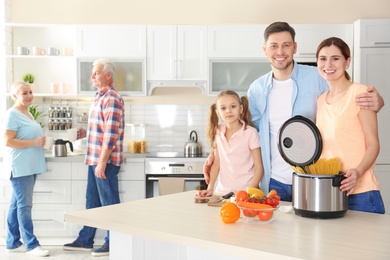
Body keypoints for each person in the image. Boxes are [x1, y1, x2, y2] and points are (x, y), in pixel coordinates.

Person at [203, 22, 384, 202]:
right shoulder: (256, 89)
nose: (280, 52)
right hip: (274, 181)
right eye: (274, 46)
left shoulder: (318, 77)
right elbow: (247, 132)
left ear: (294, 47)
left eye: (286, 45)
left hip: (312, 178)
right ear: (265, 49)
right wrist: (216, 153)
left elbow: (344, 95)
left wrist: (378, 100)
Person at [315, 37, 385, 214]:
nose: (328, 64)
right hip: (331, 190)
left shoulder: (360, 93)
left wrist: (358, 172)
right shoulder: (321, 101)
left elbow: (373, 144)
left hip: (361, 193)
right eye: (323, 58)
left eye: (335, 58)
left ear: (347, 62)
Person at [63, 58, 125, 256]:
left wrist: (103, 162)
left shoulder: (112, 98)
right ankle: (86, 239)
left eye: (96, 73)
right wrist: (86, 132)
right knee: (92, 202)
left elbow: (111, 134)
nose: (92, 77)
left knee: (109, 204)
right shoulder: (99, 96)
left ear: (108, 75)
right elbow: (101, 129)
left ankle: (113, 242)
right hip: (95, 159)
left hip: (103, 161)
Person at [2, 82, 50, 257]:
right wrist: (34, 143)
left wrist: (39, 141)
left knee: (16, 205)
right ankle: (31, 245)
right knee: (24, 206)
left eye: (30, 92)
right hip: (20, 166)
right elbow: (8, 141)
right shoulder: (12, 114)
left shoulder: (27, 113)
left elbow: (24, 135)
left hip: (29, 166)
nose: (29, 95)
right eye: (24, 93)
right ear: (15, 96)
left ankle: (12, 242)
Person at [197, 90, 263, 197]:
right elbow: (216, 163)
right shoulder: (217, 132)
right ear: (218, 113)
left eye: (233, 106)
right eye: (223, 108)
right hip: (222, 193)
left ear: (240, 109)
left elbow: (259, 168)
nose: (228, 111)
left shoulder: (250, 133)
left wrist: (248, 193)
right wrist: (210, 188)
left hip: (245, 193)